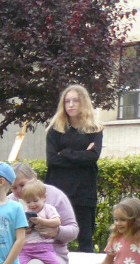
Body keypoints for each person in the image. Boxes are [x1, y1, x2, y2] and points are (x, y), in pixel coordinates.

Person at [46, 85, 102, 254]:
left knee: (85, 239)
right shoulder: (55, 130)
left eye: (75, 101)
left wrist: (64, 152)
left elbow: (92, 157)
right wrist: (82, 154)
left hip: (84, 191)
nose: (70, 105)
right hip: (59, 190)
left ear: (83, 102)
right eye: (67, 101)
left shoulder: (94, 129)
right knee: (54, 237)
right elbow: (52, 160)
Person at [13, 180, 71, 264]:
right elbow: (18, 230)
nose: (32, 205)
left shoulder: (48, 209)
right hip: (26, 249)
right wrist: (26, 229)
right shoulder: (23, 211)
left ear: (44, 197)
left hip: (44, 248)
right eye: (28, 202)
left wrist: (41, 221)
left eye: (35, 201)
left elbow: (57, 221)